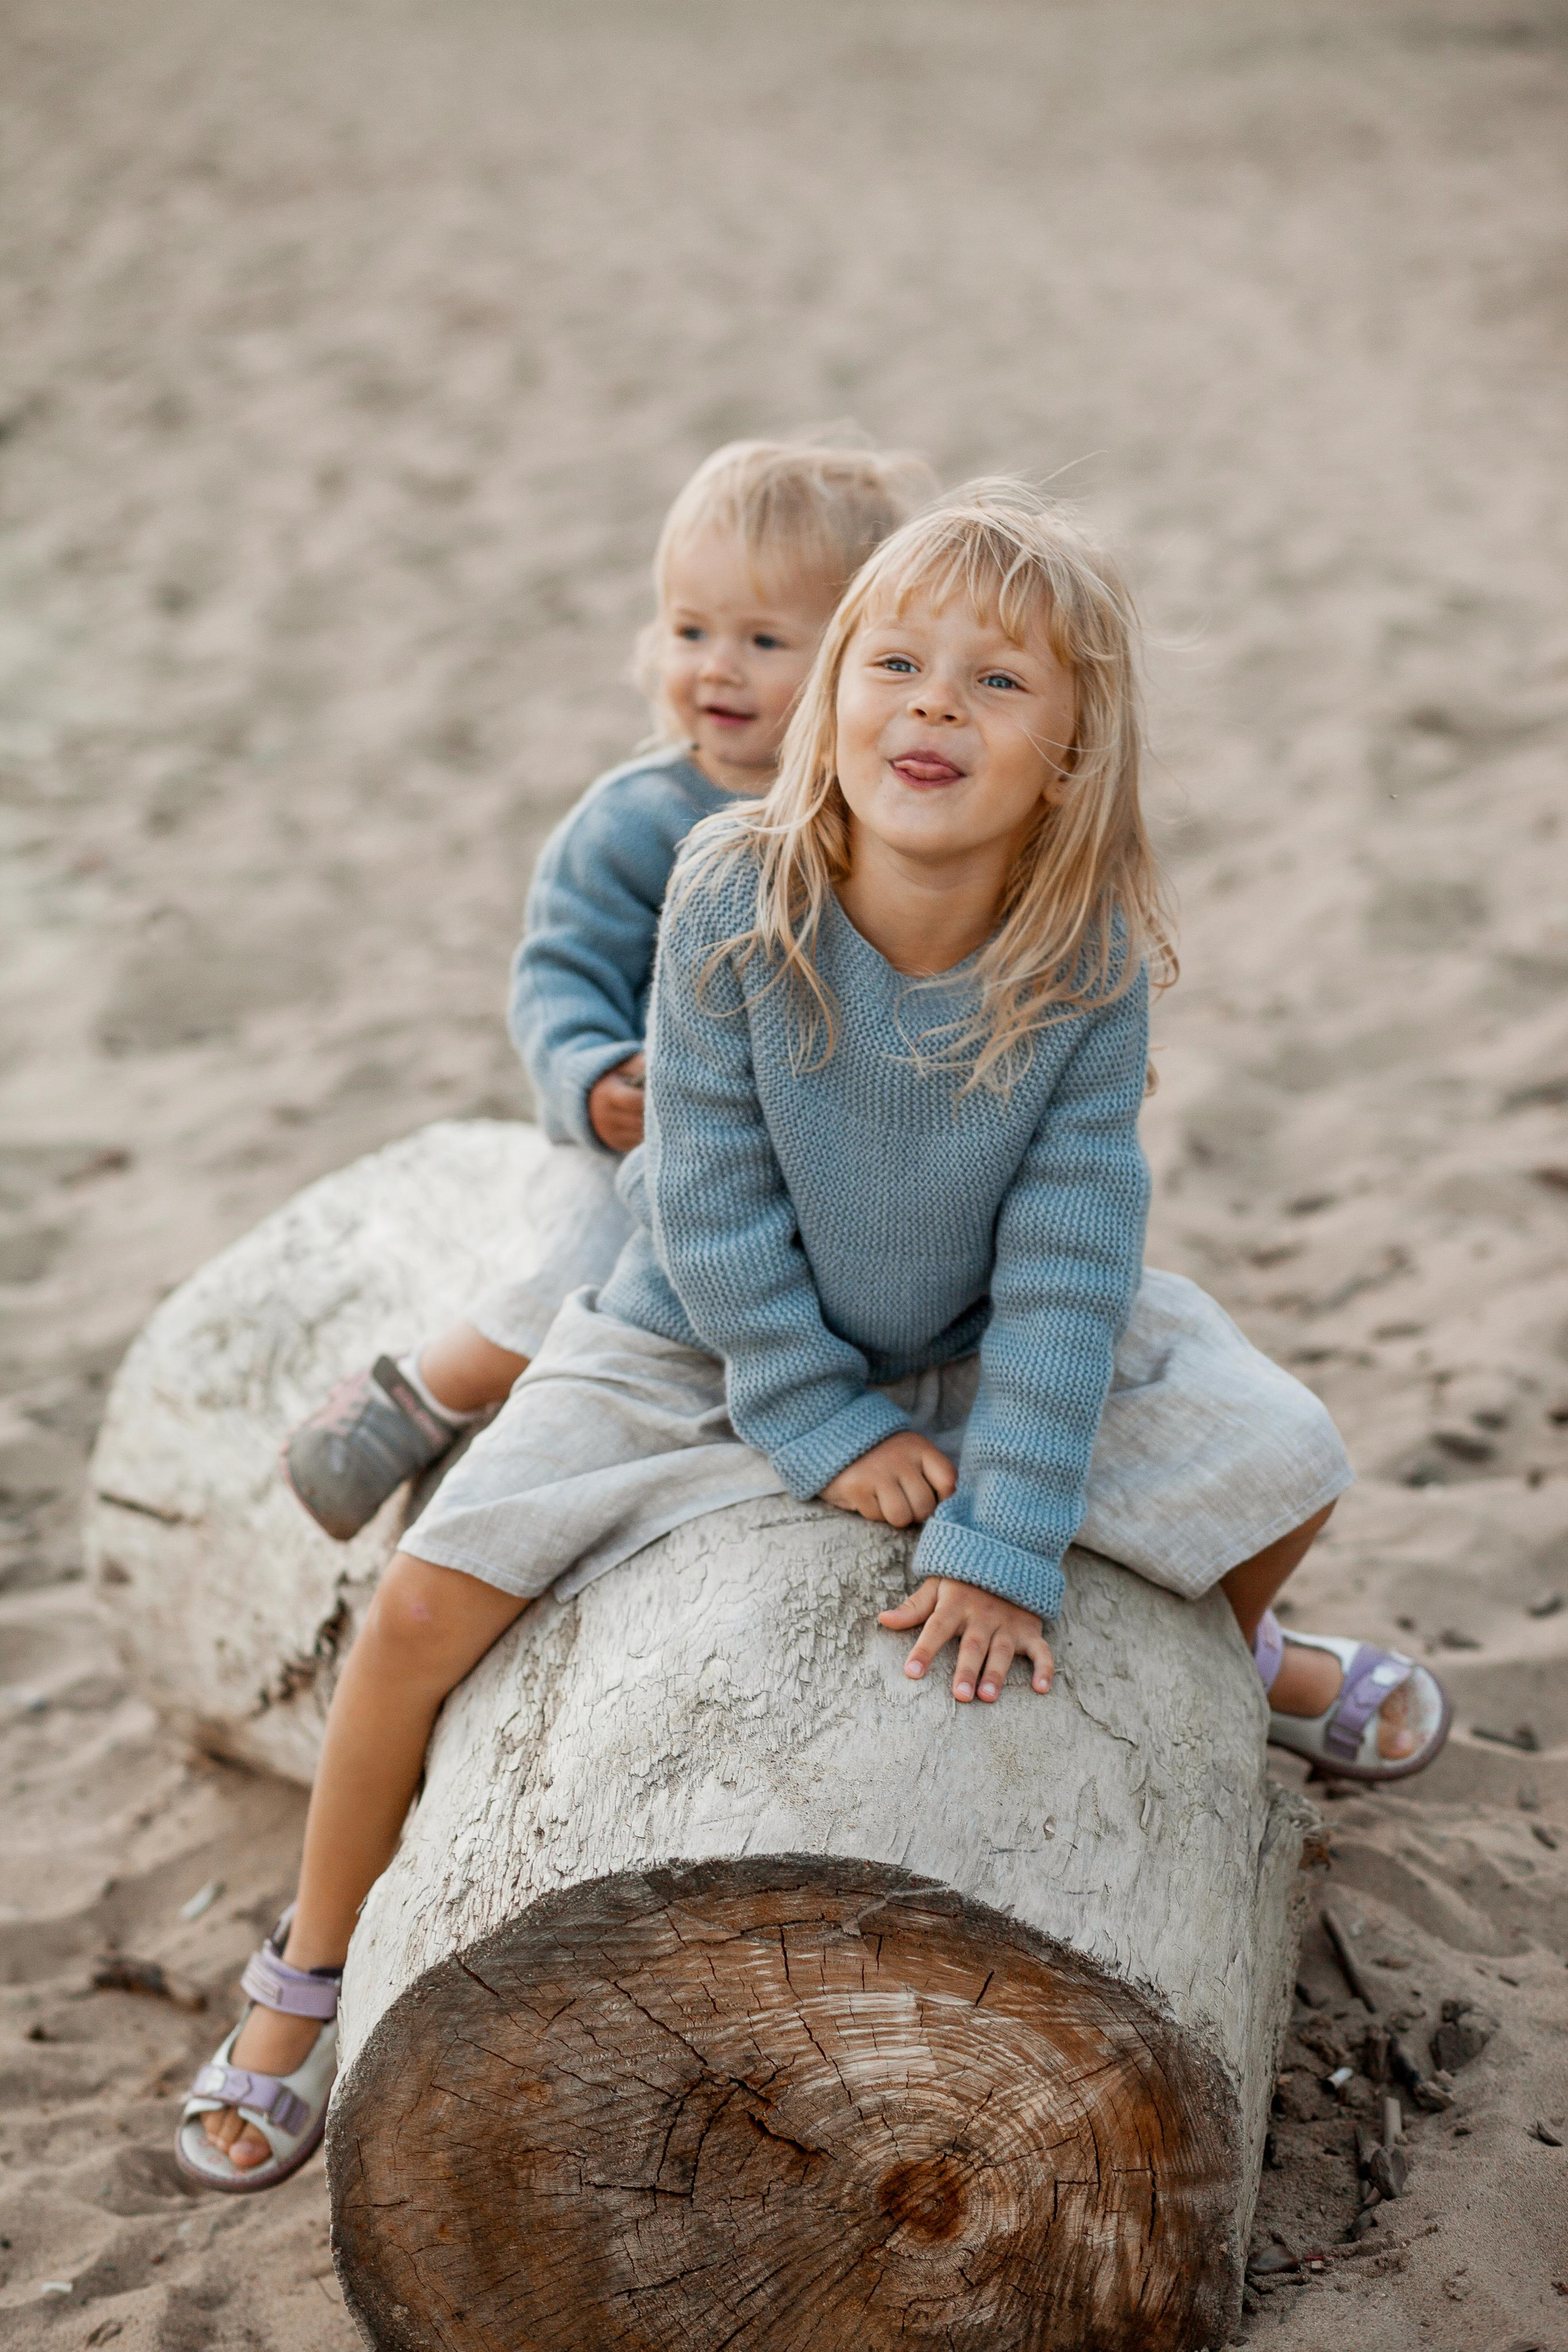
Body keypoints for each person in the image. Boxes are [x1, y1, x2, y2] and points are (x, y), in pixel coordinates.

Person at [179, 480, 1449, 2194]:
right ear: (836, 691)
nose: (933, 706)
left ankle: (1232, 1677)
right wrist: (823, 1423)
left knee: (1286, 1454)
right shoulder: (734, 891)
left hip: (977, 1333)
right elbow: (703, 1205)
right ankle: (305, 1970)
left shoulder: (1081, 960)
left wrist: (1002, 1530)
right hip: (701, 1336)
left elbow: (1077, 1259)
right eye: (897, 664)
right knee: (419, 1608)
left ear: (1070, 756)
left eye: (996, 685)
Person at [282, 434, 936, 1542]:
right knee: (587, 1270)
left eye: (764, 640)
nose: (716, 669)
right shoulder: (634, 824)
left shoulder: (886, 815)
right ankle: (425, 1390)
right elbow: (558, 975)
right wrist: (591, 1077)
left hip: (813, 1145)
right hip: (641, 1136)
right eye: (690, 631)